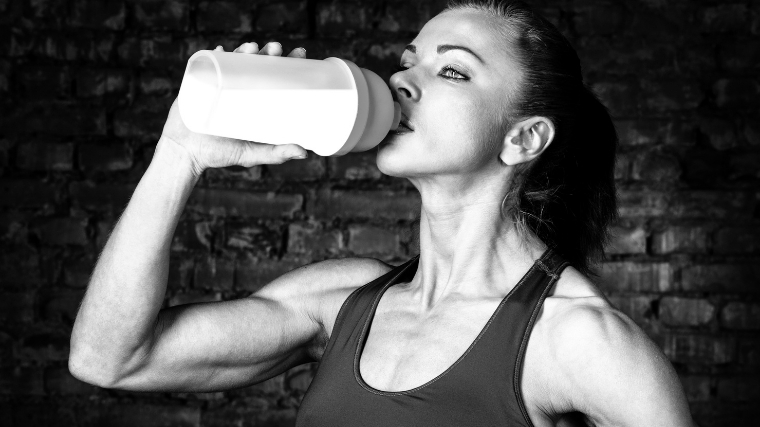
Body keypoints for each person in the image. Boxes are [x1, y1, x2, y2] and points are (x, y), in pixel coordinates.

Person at [69, 1, 695, 425]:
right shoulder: (339, 299)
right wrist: (181, 153)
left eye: (451, 69)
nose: (402, 81)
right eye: (407, 61)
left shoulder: (578, 339)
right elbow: (110, 358)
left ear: (523, 139)